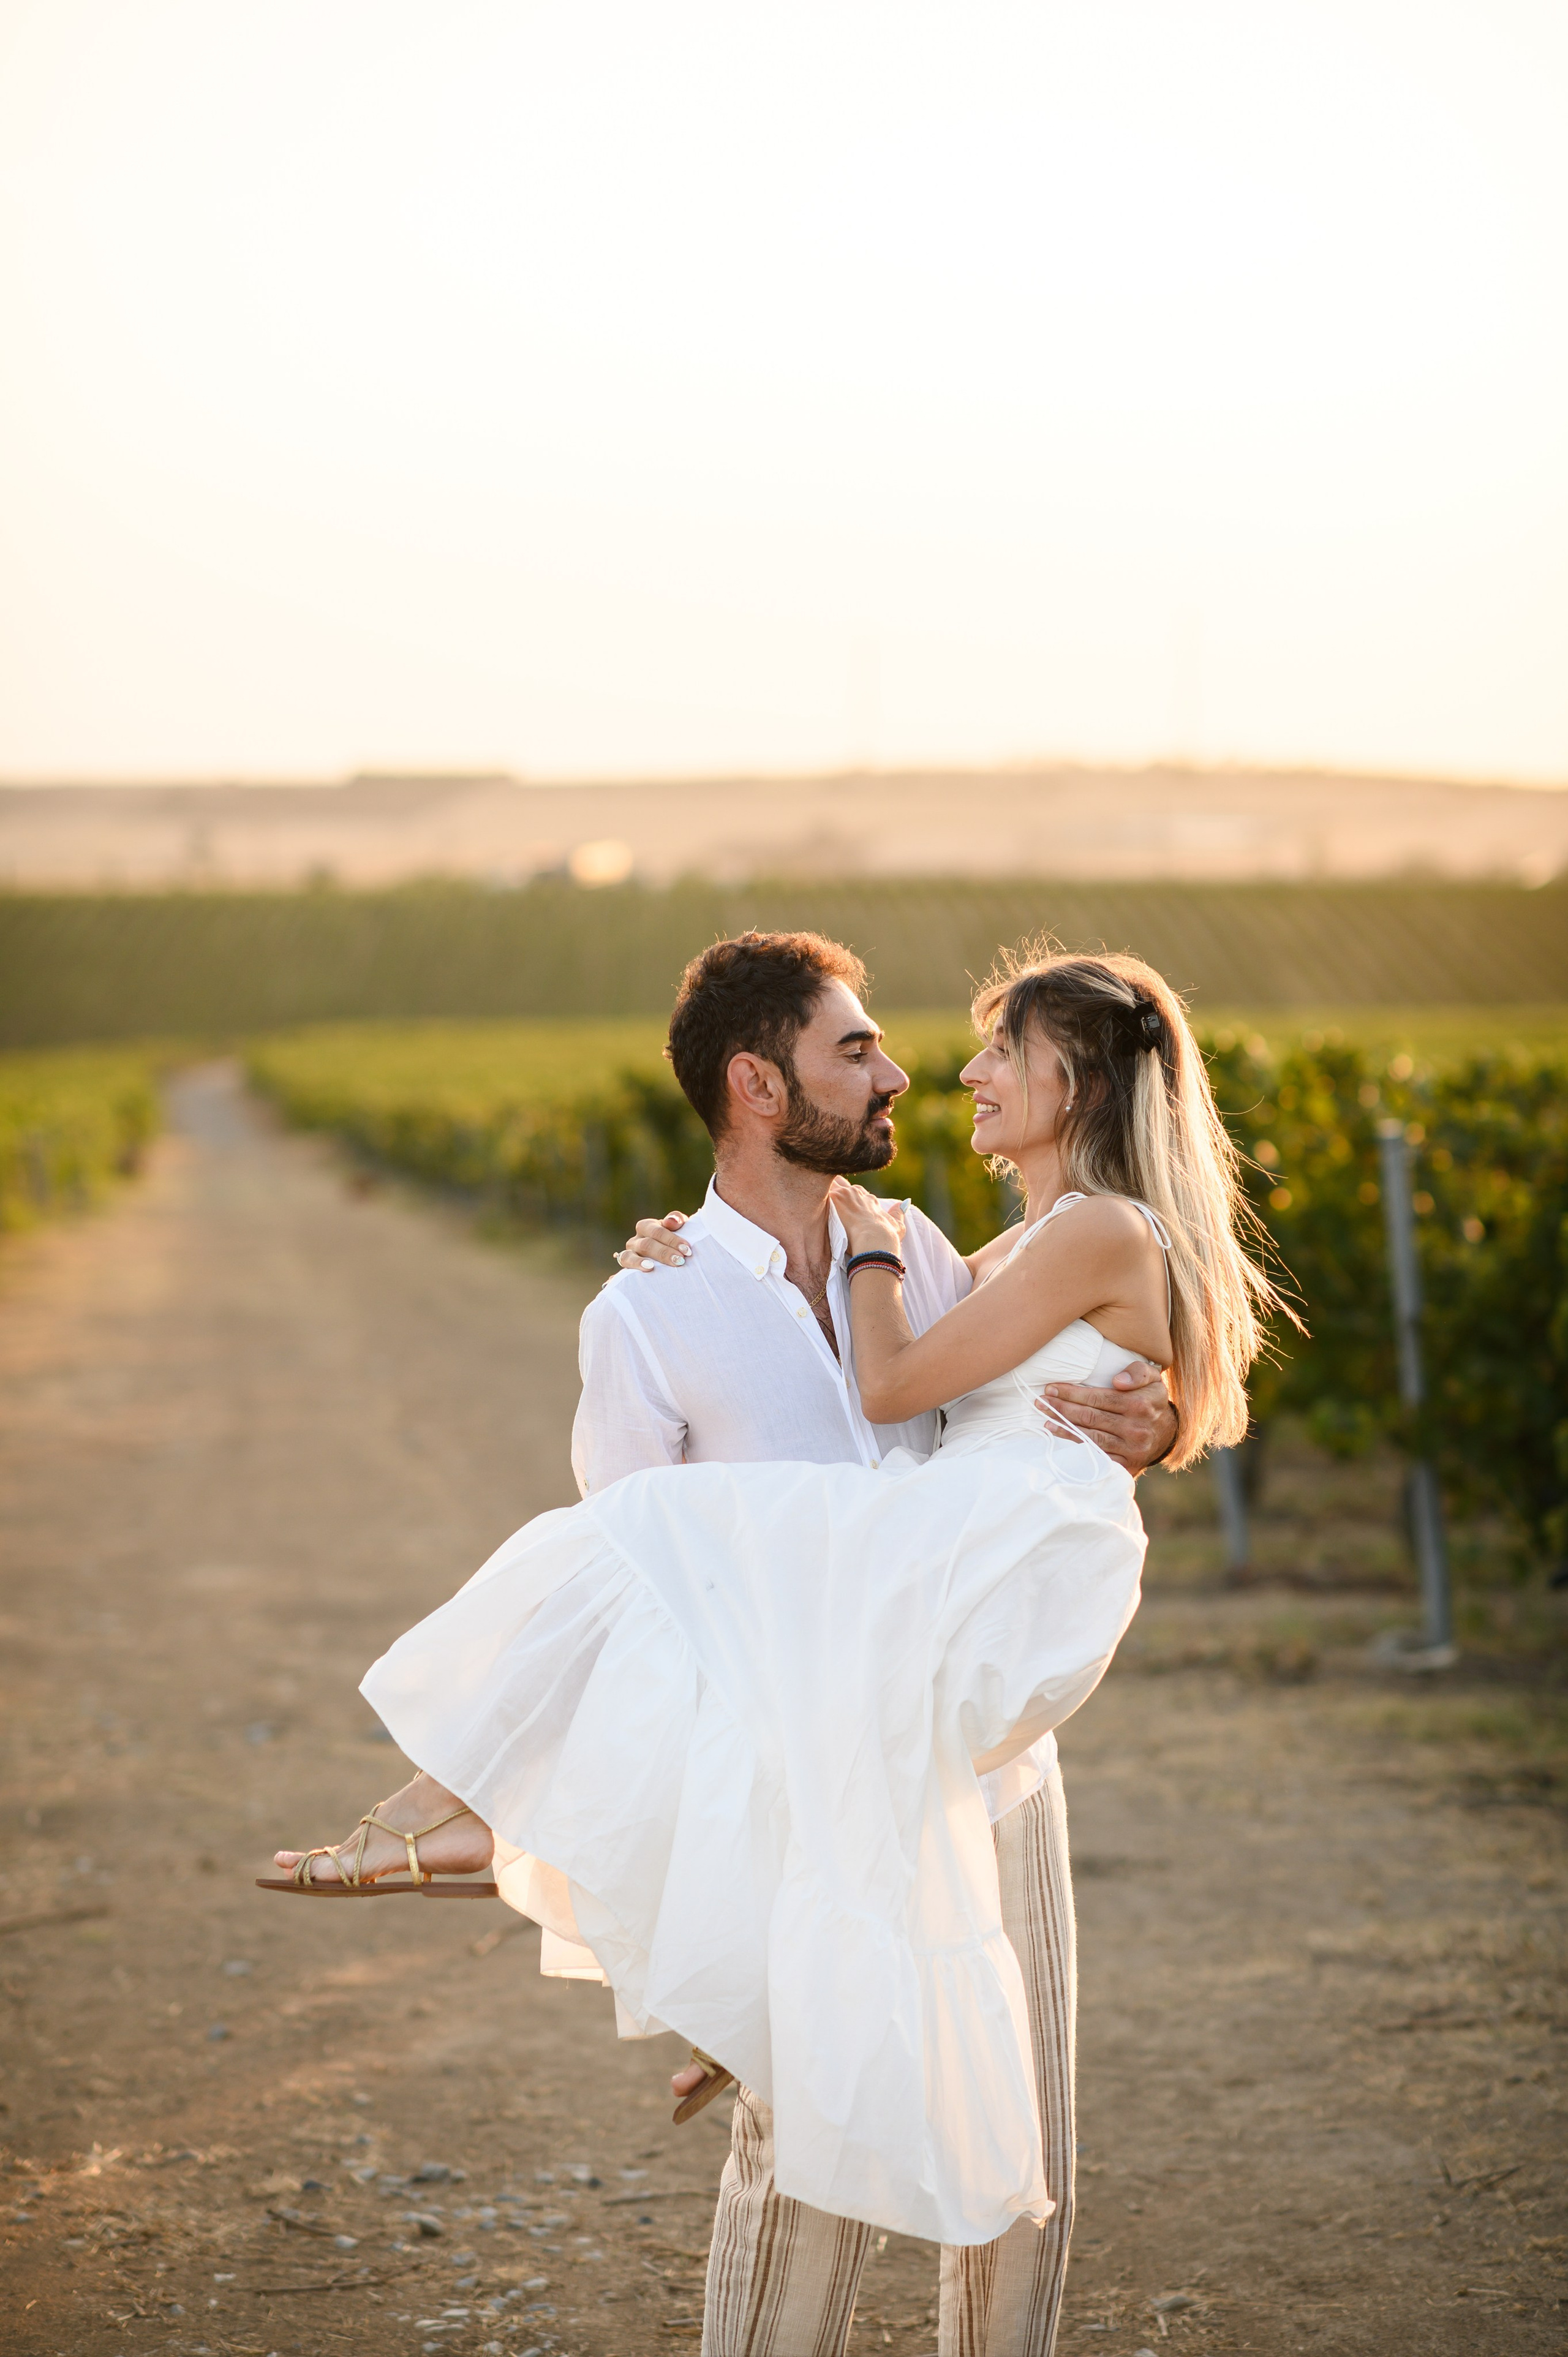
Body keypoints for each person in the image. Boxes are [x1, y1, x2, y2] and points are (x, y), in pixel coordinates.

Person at [263, 933, 1279, 2357]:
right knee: (807, 2158)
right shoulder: (652, 1307)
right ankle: (467, 1805)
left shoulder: (918, 1247)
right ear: (757, 1083)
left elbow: (1083, 1361)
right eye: (854, 1048)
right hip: (811, 1775)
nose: (909, 1069)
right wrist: (704, 1909)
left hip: (987, 1756)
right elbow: (649, 1622)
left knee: (1019, 2152)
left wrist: (1159, 1418)